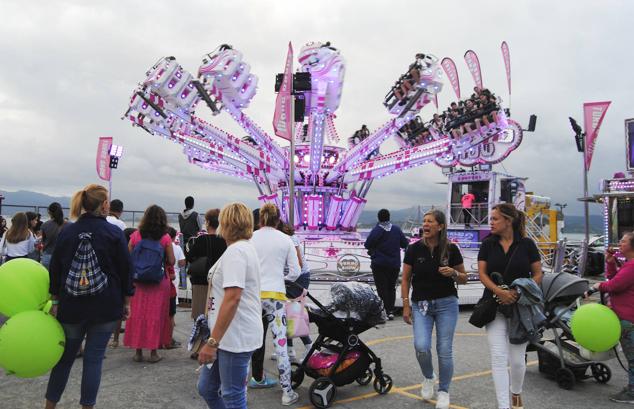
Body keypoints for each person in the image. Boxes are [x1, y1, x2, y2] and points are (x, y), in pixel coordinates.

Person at [45, 184, 134, 409]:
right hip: (106, 307)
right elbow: (126, 270)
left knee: (63, 361)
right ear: (105, 205)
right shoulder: (114, 233)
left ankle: (49, 406)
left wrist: (55, 301)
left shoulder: (67, 231)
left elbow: (55, 269)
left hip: (71, 307)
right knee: (93, 361)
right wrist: (126, 301)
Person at [197, 202, 263, 409]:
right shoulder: (241, 249)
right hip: (228, 334)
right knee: (207, 388)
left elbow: (233, 298)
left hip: (234, 336)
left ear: (225, 224)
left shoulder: (236, 252)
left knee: (232, 396)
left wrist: (212, 342)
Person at [478, 203, 543, 409]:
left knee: (516, 361)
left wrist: (519, 292)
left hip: (520, 308)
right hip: (494, 305)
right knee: (498, 357)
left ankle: (516, 393)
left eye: (495, 219)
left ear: (508, 221)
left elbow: (538, 273)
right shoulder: (488, 244)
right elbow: (482, 274)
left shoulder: (526, 244)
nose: (491, 222)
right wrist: (499, 292)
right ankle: (504, 406)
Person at [402, 210, 467, 409]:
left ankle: (444, 391)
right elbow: (405, 279)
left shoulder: (451, 249)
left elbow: (464, 278)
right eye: (424, 221)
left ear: (440, 226)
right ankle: (429, 377)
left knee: (444, 350)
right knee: (421, 346)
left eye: (430, 221)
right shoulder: (413, 249)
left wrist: (454, 272)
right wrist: (405, 304)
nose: (425, 225)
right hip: (420, 305)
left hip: (447, 304)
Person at [248, 203, 301, 406]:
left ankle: (243, 384)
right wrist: (282, 277)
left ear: (260, 219)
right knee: (280, 344)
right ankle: (287, 392)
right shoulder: (285, 240)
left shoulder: (250, 238)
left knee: (249, 341)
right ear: (278, 219)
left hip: (254, 295)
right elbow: (296, 271)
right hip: (276, 295)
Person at [586, 233, 634, 404]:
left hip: (629, 318)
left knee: (632, 357)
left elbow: (613, 285)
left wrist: (598, 286)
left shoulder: (631, 266)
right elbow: (614, 279)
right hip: (626, 316)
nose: (619, 243)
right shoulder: (628, 265)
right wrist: (610, 261)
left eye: (623, 241)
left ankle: (632, 392)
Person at [124, 205, 175, 363]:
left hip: (138, 281)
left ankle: (138, 352)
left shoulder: (136, 235)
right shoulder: (165, 238)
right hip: (159, 282)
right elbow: (172, 260)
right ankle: (153, 352)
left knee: (138, 313)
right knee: (156, 315)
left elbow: (128, 257)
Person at [277, 223, 313, 362]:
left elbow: (299, 264)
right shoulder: (288, 238)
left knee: (293, 312)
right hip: (292, 277)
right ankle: (289, 349)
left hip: (297, 278)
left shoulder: (289, 239)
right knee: (288, 312)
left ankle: (309, 345)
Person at [364, 208, 409, 320]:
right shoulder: (396, 229)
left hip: (379, 264)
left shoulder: (376, 230)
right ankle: (390, 311)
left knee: (381, 288)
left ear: (378, 218)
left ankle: (383, 311)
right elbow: (404, 244)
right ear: (389, 217)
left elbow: (367, 244)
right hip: (394, 264)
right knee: (391, 287)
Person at [186, 208, 227, 321]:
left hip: (201, 282)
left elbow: (189, 258)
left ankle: (201, 339)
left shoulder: (201, 240)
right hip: (220, 284)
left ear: (208, 222)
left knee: (200, 319)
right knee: (216, 317)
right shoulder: (225, 241)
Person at [165, 227, 186, 349]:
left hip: (162, 279)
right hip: (173, 278)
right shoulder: (177, 247)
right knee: (171, 312)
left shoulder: (161, 245)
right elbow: (182, 262)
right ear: (174, 237)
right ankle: (169, 339)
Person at [40, 202, 67, 270]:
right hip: (63, 256)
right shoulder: (69, 225)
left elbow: (43, 241)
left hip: (47, 257)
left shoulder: (45, 225)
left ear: (49, 213)